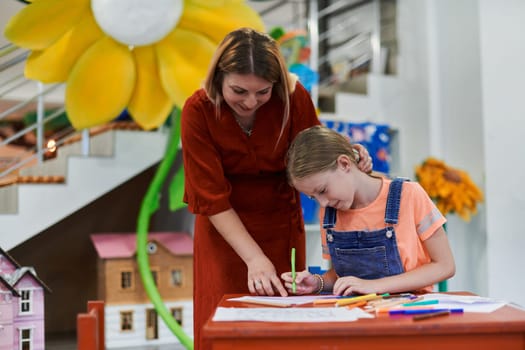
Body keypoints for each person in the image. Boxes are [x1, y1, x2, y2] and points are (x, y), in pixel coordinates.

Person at [180, 28, 372, 349]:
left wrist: (348, 156)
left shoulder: (294, 99)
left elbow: (315, 154)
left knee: (284, 322)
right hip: (224, 233)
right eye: (239, 91)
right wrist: (254, 258)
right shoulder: (197, 111)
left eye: (263, 92)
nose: (250, 102)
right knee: (223, 322)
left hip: (281, 226)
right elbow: (210, 198)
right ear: (218, 79)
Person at [281, 125, 455, 296]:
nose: (323, 202)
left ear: (344, 164)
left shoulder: (409, 195)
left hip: (407, 313)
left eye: (322, 190)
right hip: (354, 314)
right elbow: (341, 276)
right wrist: (318, 282)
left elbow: (445, 265)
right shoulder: (329, 214)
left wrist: (374, 286)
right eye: (313, 197)